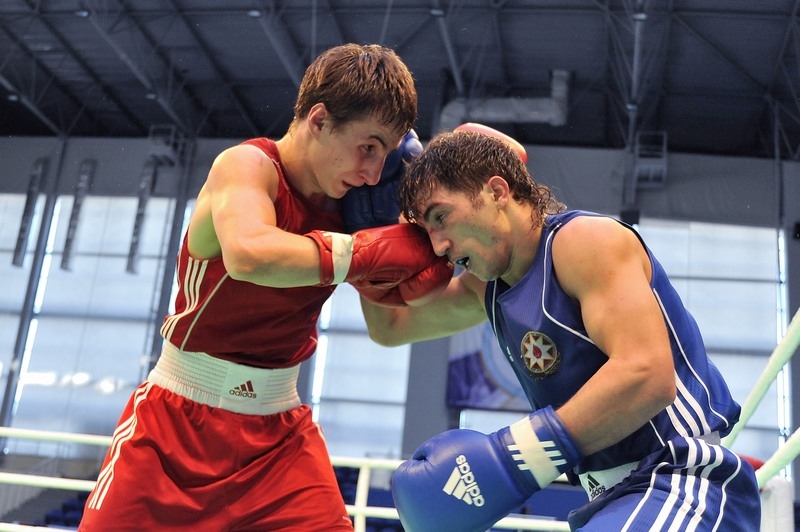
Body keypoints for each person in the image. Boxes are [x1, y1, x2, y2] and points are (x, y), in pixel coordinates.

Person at [78, 43, 452, 531]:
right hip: (174, 427)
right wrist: (362, 253)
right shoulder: (247, 167)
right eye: (369, 146)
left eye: (386, 153)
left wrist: (488, 276)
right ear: (319, 120)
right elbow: (249, 253)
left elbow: (393, 323)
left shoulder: (352, 205)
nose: (374, 172)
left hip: (278, 439)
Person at [361, 129, 762, 531]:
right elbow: (391, 327)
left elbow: (647, 376)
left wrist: (514, 457)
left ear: (497, 192)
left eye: (440, 217)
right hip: (611, 500)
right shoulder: (488, 288)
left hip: (681, 479)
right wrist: (363, 232)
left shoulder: (584, 242)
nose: (437, 247)